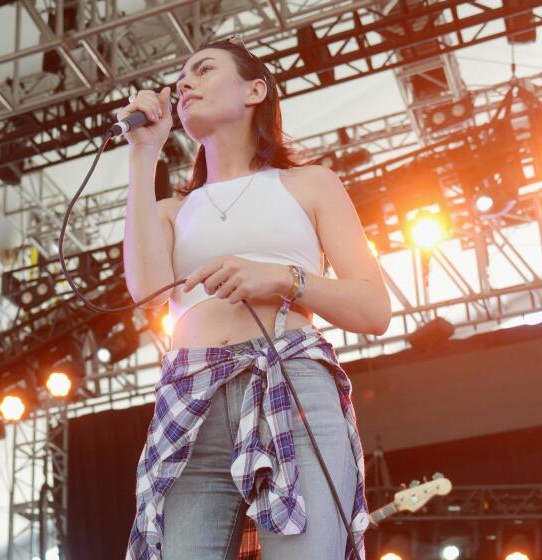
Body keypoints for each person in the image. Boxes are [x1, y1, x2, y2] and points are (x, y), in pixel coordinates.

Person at [119, 34, 391, 560]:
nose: (183, 84)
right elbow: (147, 292)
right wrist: (144, 154)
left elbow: (374, 309)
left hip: (291, 383)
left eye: (203, 70)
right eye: (180, 80)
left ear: (254, 91)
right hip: (191, 397)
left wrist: (282, 279)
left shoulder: (310, 184)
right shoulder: (174, 210)